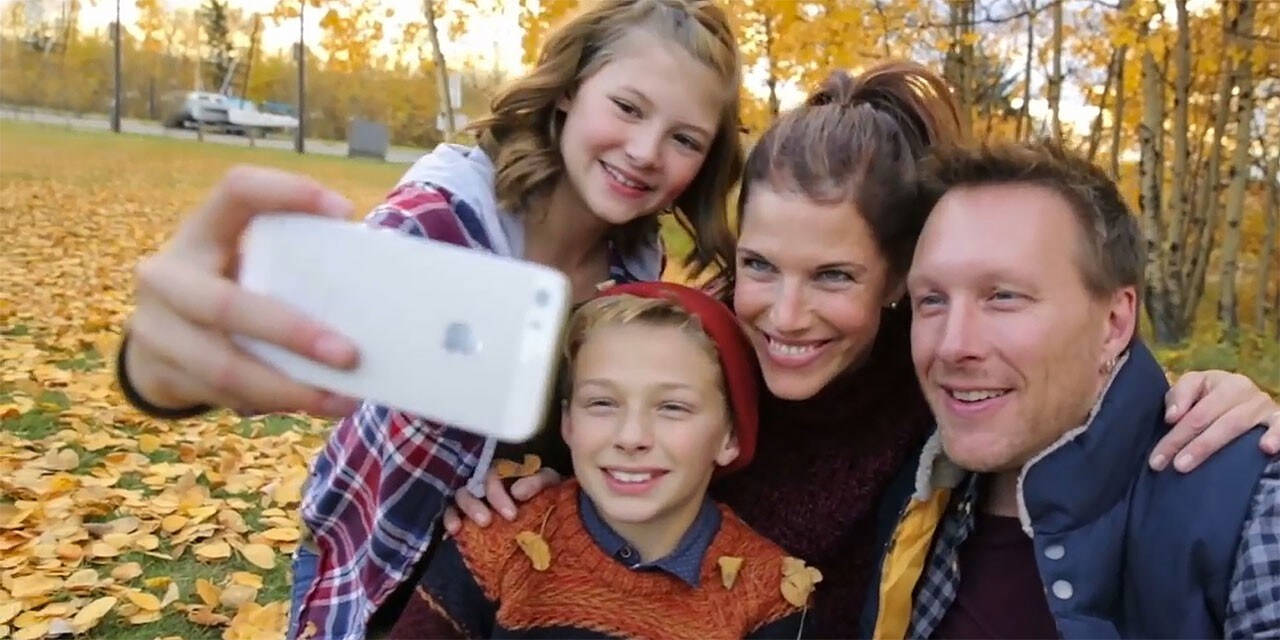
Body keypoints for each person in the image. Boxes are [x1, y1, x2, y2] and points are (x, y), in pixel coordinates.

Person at [441, 62, 1280, 638]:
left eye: (835, 275)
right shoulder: (687, 362)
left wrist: (1215, 404)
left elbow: (1074, 385)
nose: (786, 314)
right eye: (760, 266)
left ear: (893, 280)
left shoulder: (942, 427)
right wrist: (520, 483)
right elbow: (571, 438)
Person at [111, 1, 746, 638]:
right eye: (628, 108)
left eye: (684, 138)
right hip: (371, 558)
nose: (644, 151)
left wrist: (550, 475)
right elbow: (295, 349)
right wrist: (160, 370)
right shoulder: (437, 221)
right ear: (569, 96)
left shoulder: (637, 268)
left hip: (494, 574)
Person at [860, 139, 1279, 639]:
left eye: (1003, 297)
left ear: (1115, 321)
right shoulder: (913, 496)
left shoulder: (1252, 510)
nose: (952, 346)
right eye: (931, 300)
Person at [389, 282, 816, 639]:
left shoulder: (767, 596)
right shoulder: (498, 546)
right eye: (602, 403)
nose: (631, 437)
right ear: (568, 422)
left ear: (730, 437)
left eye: (672, 408)